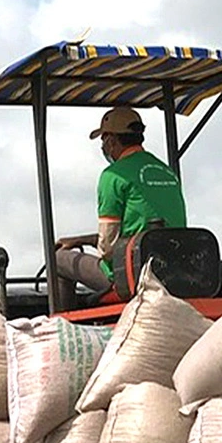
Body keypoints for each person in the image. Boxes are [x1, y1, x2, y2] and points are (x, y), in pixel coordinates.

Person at [54, 105, 188, 300]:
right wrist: (81, 240)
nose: (103, 146)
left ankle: (61, 324)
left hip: (132, 275)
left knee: (57, 260)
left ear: (111, 140)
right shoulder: (166, 171)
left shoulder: (113, 176)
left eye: (103, 140)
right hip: (173, 269)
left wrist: (87, 243)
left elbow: (108, 248)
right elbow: (141, 231)